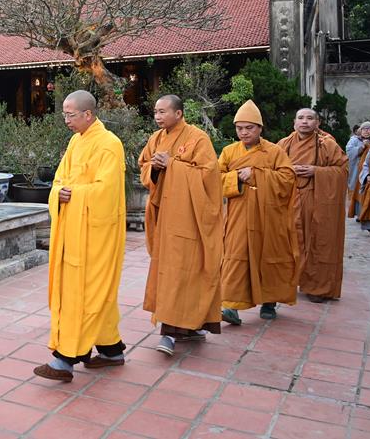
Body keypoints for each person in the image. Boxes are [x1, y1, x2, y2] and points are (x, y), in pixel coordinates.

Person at [34, 91, 127, 382]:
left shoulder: (110, 144)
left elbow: (106, 192)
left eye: (70, 114)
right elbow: (59, 180)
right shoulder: (76, 142)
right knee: (96, 295)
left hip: (97, 234)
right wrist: (57, 193)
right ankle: (112, 350)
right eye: (63, 114)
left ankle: (65, 359)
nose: (66, 120)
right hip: (74, 230)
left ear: (88, 114)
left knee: (86, 294)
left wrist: (71, 194)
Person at [139, 95, 223, 356]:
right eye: (155, 112)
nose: (158, 116)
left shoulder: (197, 138)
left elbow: (210, 175)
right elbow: (143, 166)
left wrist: (172, 165)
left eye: (163, 112)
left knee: (185, 272)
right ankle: (188, 327)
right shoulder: (156, 139)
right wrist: (154, 167)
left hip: (190, 219)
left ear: (179, 113)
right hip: (164, 217)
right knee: (170, 271)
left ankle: (171, 332)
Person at [217, 101, 298, 325]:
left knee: (269, 256)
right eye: (239, 128)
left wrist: (256, 175)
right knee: (235, 257)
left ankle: (269, 302)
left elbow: (288, 179)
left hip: (269, 216)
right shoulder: (229, 152)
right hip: (238, 214)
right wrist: (236, 178)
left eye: (249, 128)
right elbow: (214, 179)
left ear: (260, 128)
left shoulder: (274, 152)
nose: (244, 132)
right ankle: (230, 306)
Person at [278, 108, 349, 303]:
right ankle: (287, 282)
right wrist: (288, 171)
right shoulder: (283, 144)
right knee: (289, 241)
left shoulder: (327, 144)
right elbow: (271, 169)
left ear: (317, 123)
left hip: (317, 200)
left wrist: (316, 171)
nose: (305, 122)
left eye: (310, 118)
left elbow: (342, 170)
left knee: (319, 240)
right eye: (300, 118)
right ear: (294, 123)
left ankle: (318, 287)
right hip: (290, 200)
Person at [346, 121, 370, 218]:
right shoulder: (354, 140)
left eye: (369, 129)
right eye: (364, 129)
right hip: (356, 171)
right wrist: (362, 147)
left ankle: (369, 213)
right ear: (360, 131)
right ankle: (360, 214)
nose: (366, 131)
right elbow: (349, 152)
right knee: (358, 191)